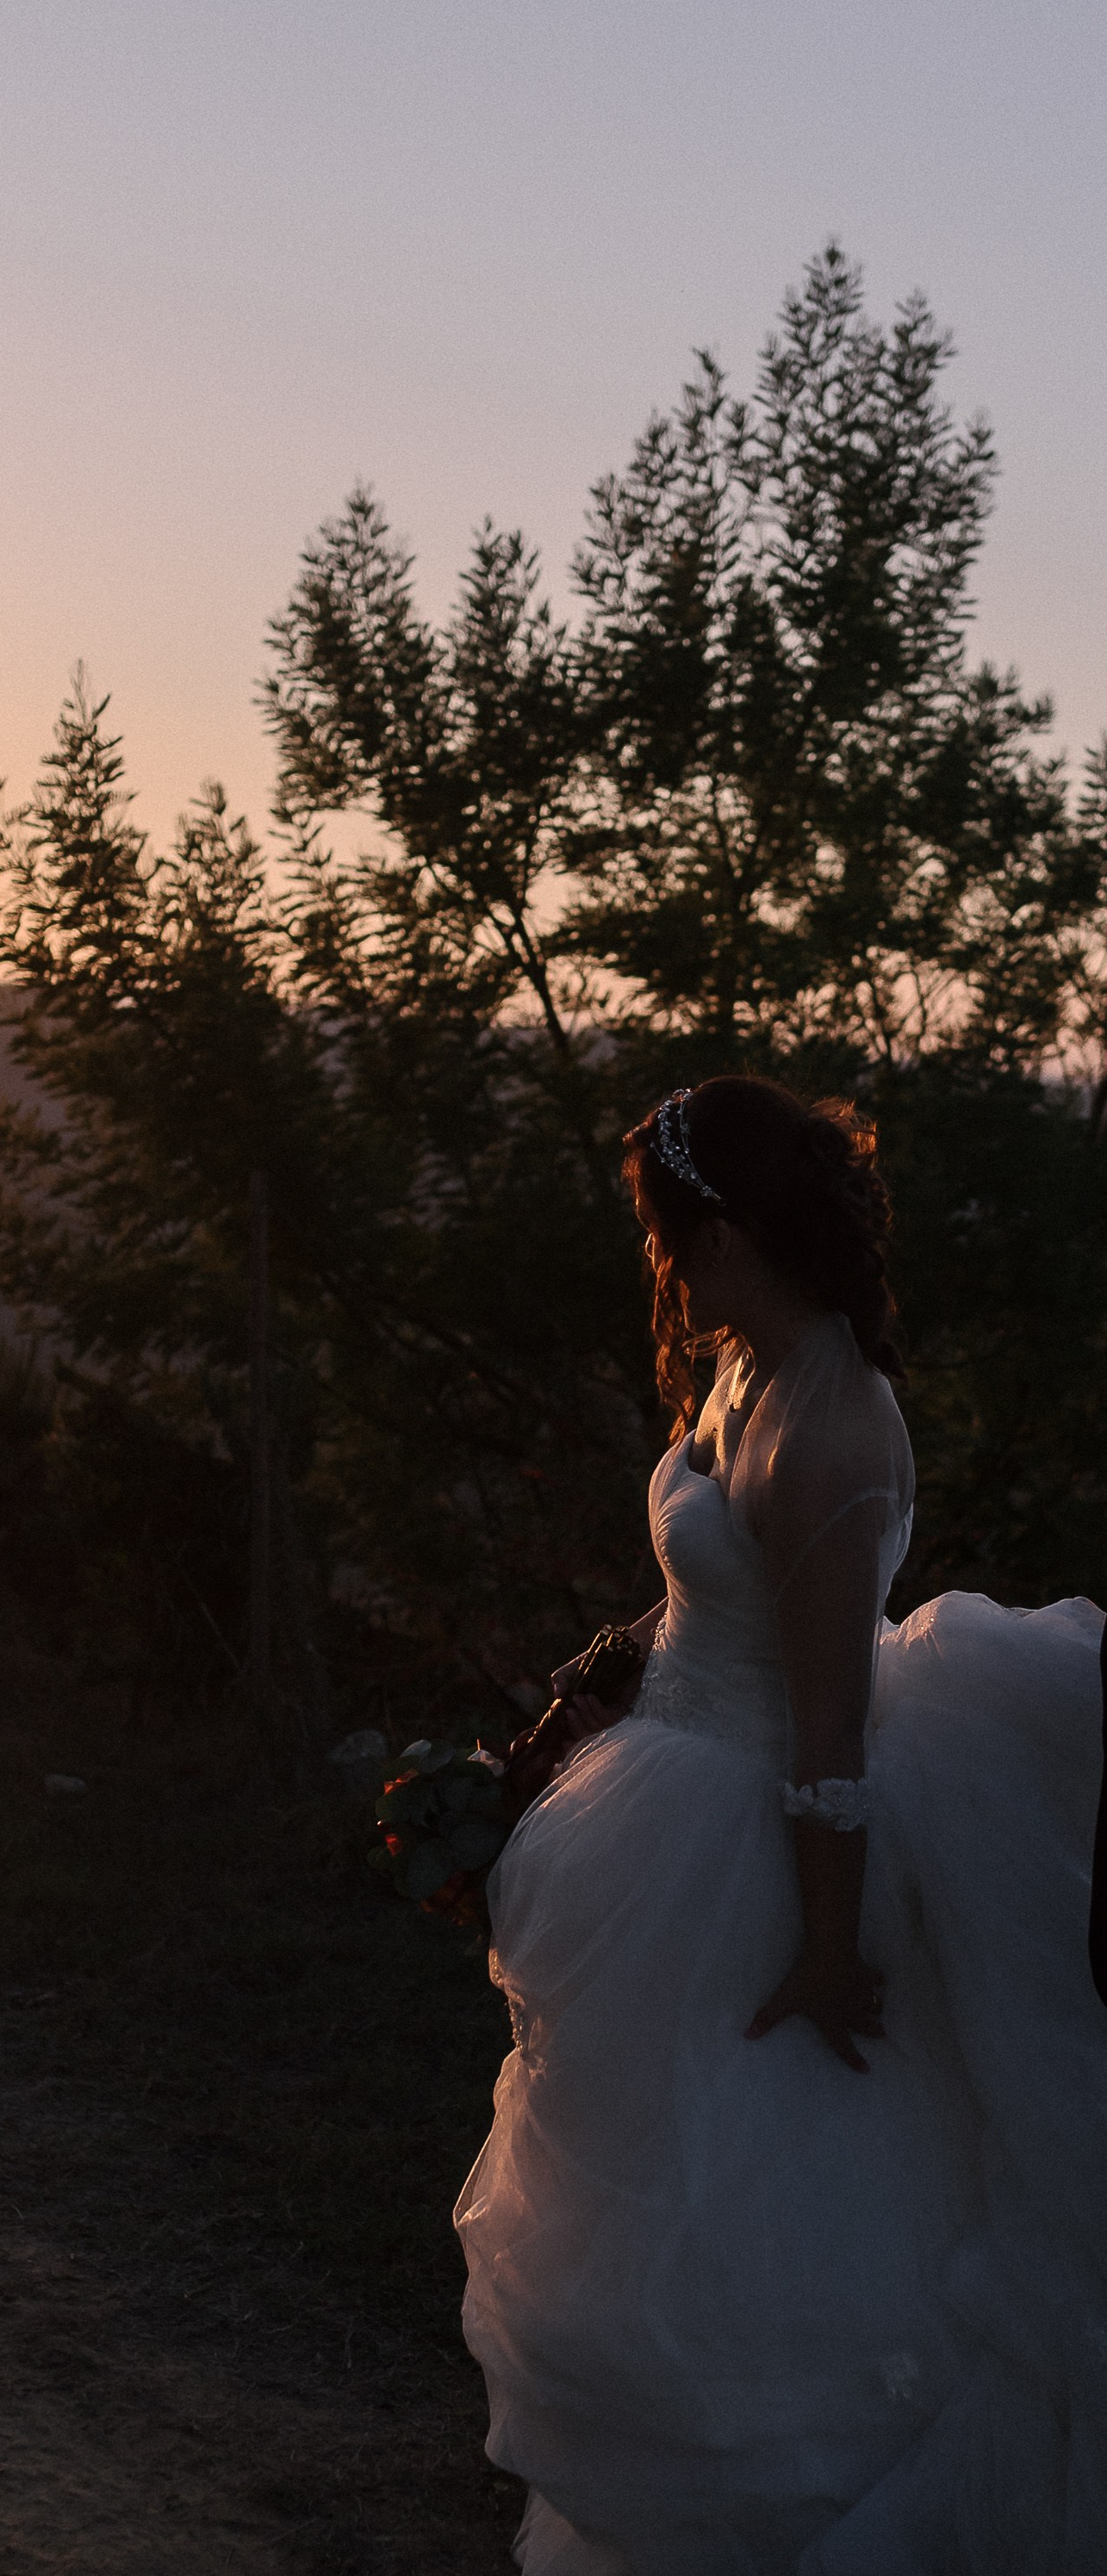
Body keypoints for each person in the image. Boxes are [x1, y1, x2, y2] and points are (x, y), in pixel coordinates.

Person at [456, 1076, 1107, 2576]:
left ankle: (787, 2515)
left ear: (737, 1231)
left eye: (673, 1234)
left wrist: (825, 1949)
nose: (664, 1264)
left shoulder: (831, 1436)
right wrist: (582, 1702)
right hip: (666, 1781)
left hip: (754, 1848)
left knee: (763, 2210)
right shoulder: (739, 1367)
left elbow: (824, 1736)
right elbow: (699, 1594)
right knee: (636, 2188)